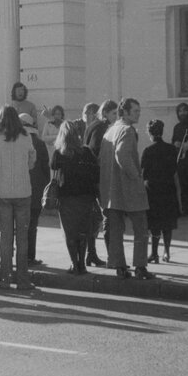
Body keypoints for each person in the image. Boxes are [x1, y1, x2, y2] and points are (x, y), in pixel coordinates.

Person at [99, 97, 154, 280]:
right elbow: (121, 155)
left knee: (115, 231)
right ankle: (140, 266)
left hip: (110, 190)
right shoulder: (128, 130)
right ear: (126, 112)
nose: (139, 114)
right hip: (128, 188)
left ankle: (120, 267)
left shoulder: (110, 130)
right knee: (141, 228)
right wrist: (136, 175)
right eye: (136, 111)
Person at [0, 106, 37, 291]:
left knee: (5, 238)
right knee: (22, 238)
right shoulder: (26, 137)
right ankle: (23, 280)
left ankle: (5, 278)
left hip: (3, 193)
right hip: (23, 192)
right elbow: (32, 160)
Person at [51, 120, 100, 274]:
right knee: (83, 231)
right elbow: (96, 174)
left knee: (69, 232)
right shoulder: (86, 152)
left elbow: (54, 174)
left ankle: (74, 263)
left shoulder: (59, 154)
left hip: (66, 198)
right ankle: (83, 264)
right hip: (86, 197)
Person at [83, 99, 117, 267]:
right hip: (98, 178)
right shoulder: (102, 127)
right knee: (107, 216)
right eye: (114, 113)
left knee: (94, 218)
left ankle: (92, 254)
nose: (116, 117)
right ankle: (111, 256)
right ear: (105, 114)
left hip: (90, 178)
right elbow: (94, 150)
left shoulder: (92, 125)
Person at [141, 119, 180, 263]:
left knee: (155, 224)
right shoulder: (171, 149)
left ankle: (154, 253)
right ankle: (167, 252)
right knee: (168, 223)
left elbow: (144, 173)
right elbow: (174, 170)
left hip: (153, 190)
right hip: (168, 188)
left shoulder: (148, 151)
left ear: (150, 133)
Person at [20, 113, 51, 267]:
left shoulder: (15, 140)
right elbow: (46, 167)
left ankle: (17, 256)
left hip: (18, 189)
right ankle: (30, 257)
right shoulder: (39, 143)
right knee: (32, 225)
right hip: (36, 189)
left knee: (16, 225)